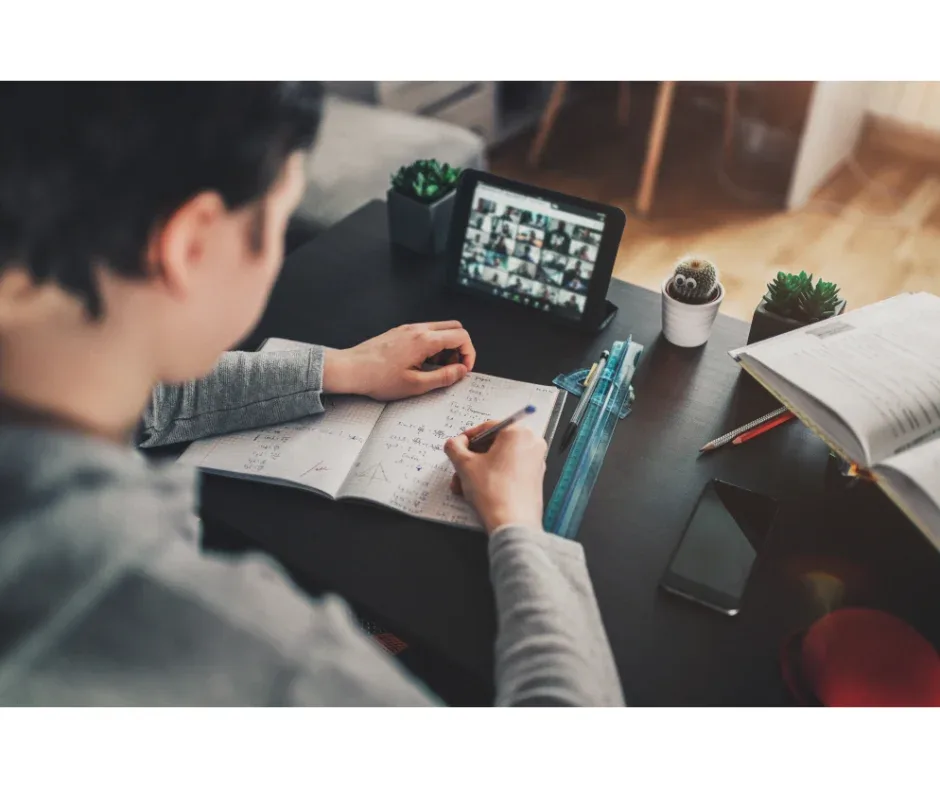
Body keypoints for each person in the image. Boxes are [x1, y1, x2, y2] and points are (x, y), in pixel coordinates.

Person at [0, 83, 622, 706]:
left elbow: (151, 403)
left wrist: (341, 369)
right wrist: (519, 525)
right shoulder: (267, 659)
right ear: (190, 246)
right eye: (277, 219)